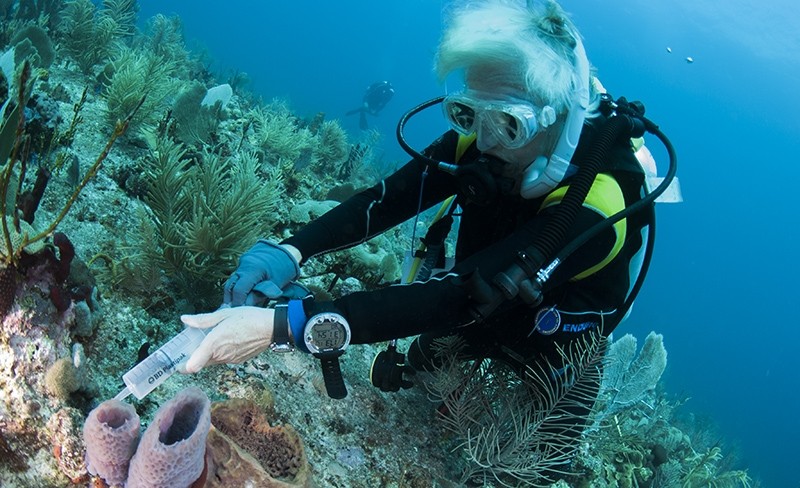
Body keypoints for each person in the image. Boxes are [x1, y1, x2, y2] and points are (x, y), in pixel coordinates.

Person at [181, 0, 662, 478]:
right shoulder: (477, 143)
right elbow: (386, 200)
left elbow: (459, 293)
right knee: (420, 366)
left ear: (562, 117)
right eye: (471, 113)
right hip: (472, 307)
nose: (488, 141)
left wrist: (285, 327)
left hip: (557, 341)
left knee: (536, 468)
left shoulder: (601, 205)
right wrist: (289, 250)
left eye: (510, 123)